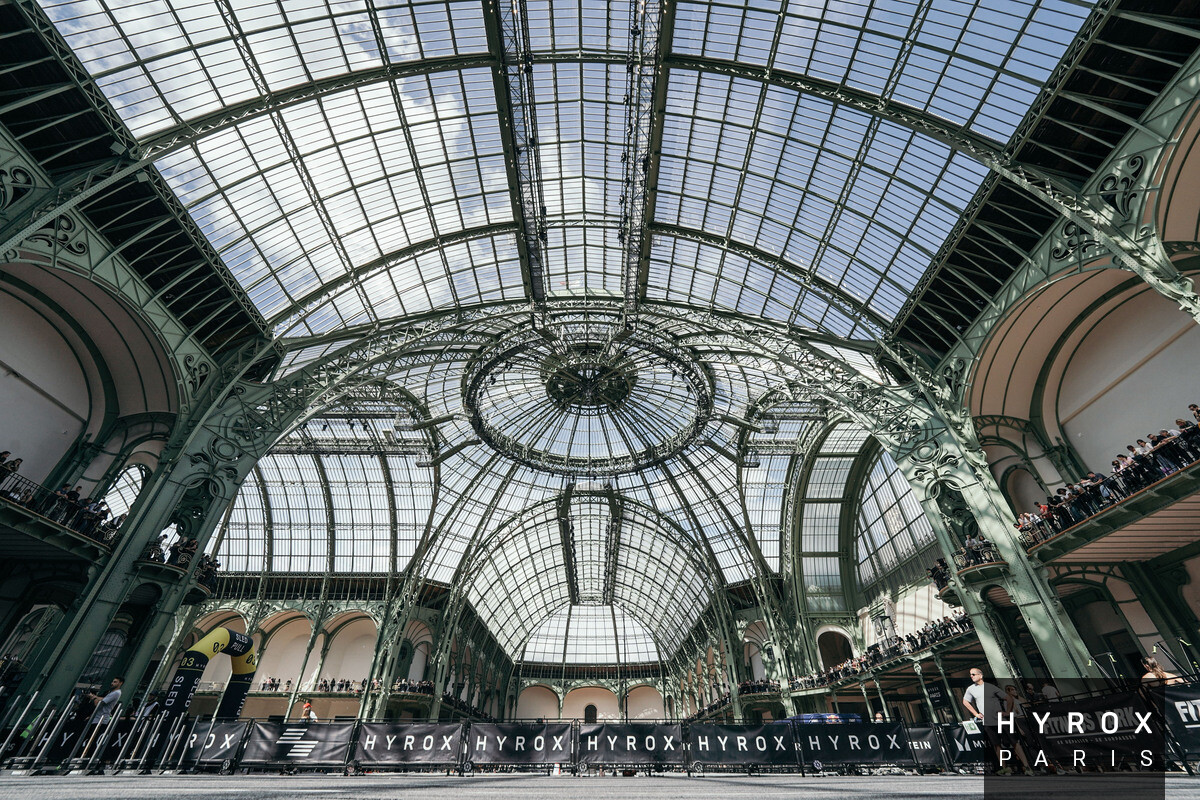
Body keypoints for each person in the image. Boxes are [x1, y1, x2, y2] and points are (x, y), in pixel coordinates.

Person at [962, 667, 1030, 775]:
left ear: (980, 675)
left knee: (1014, 742)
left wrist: (1007, 712)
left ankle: (1026, 767)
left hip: (1001, 719)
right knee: (996, 744)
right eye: (970, 674)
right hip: (987, 721)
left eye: (973, 674)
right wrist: (975, 714)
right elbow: (965, 701)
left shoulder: (990, 687)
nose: (971, 676)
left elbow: (1008, 698)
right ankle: (1004, 768)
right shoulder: (970, 689)